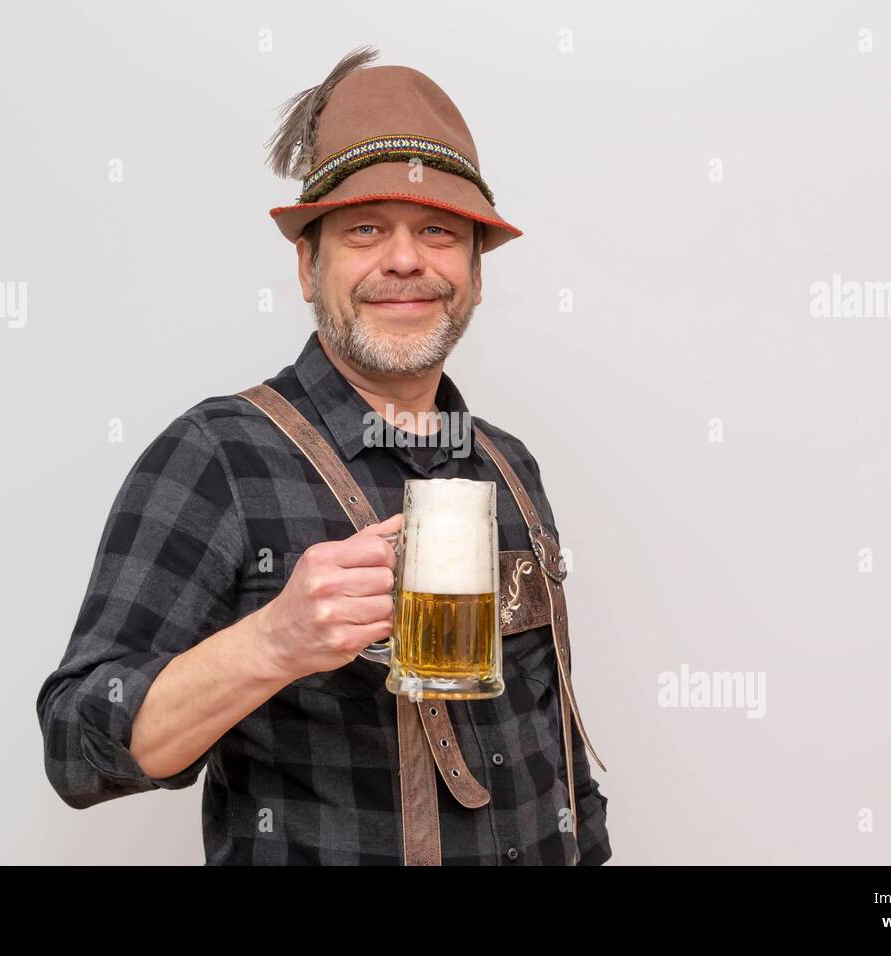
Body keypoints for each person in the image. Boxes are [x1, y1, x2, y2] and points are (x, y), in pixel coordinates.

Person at [36, 46, 611, 865]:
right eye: (366, 230)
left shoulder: (510, 467)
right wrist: (270, 643)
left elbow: (556, 758)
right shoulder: (217, 456)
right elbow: (73, 749)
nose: (406, 260)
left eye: (439, 232)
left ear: (476, 275)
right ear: (308, 266)